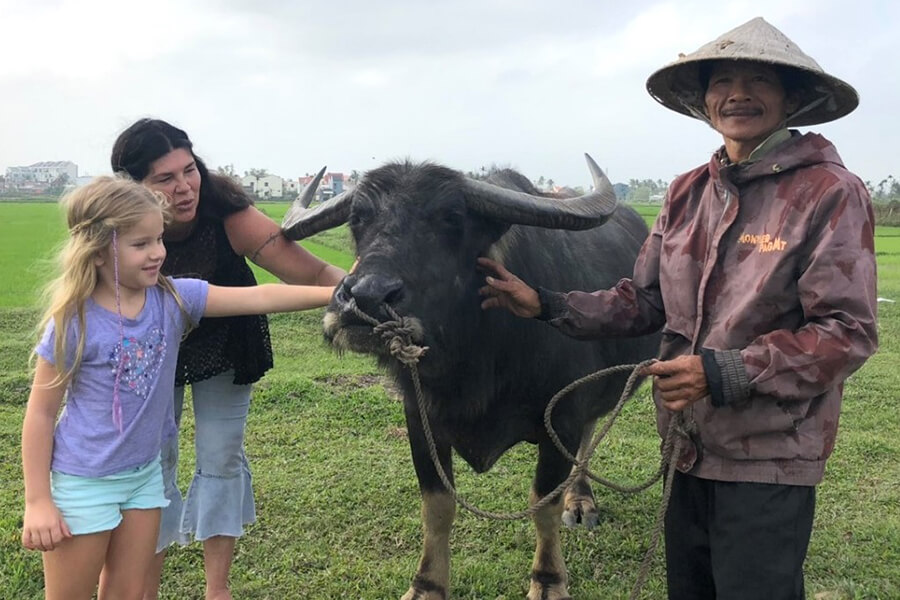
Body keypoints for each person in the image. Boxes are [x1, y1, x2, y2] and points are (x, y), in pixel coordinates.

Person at [479, 17, 877, 600]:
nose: (737, 92)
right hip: (687, 446)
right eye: (723, 80)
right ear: (704, 100)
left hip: (769, 452)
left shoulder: (828, 192)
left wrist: (721, 372)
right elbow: (643, 302)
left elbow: (846, 334)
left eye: (758, 79)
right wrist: (544, 303)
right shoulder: (690, 191)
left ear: (792, 98)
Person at [20, 177, 335, 600]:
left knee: (128, 593)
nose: (158, 253)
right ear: (97, 250)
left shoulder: (172, 300)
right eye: (141, 244)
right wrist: (38, 501)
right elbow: (40, 414)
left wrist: (340, 294)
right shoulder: (73, 322)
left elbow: (261, 297)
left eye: (159, 239)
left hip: (144, 478)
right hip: (84, 481)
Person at [109, 118, 346, 600]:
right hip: (148, 351)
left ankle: (218, 592)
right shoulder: (112, 230)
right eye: (165, 178)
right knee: (154, 463)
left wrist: (365, 287)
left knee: (221, 456)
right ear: (133, 187)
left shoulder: (228, 215)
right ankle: (143, 586)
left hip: (226, 341)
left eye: (189, 169)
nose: (184, 187)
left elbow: (316, 272)